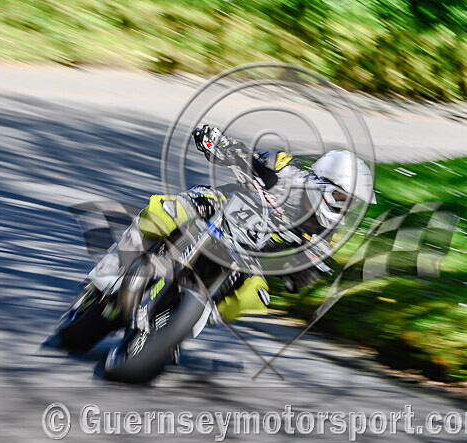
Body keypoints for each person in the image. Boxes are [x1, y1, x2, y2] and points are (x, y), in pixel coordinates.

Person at [89, 124, 376, 321]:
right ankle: (112, 268)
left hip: (246, 259)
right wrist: (216, 142)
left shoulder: (325, 237)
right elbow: (244, 156)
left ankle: (181, 325)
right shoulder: (286, 172)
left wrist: (304, 270)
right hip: (217, 210)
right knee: (166, 210)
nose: (343, 208)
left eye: (350, 203)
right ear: (321, 182)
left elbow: (296, 280)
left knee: (257, 297)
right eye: (341, 197)